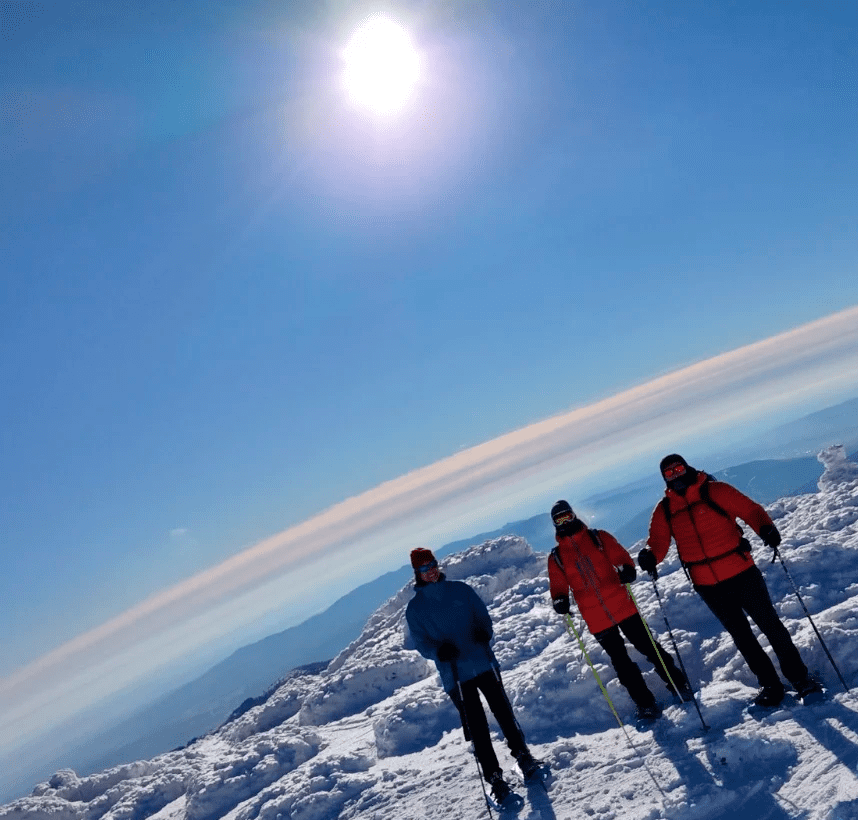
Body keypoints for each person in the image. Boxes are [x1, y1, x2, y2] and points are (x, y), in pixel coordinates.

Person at [637, 454, 822, 708]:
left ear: (686, 467)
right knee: (742, 636)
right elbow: (658, 542)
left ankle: (800, 678)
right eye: (669, 474)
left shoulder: (714, 490)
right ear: (664, 479)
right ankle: (770, 685)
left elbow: (750, 510)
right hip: (707, 585)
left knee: (770, 625)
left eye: (678, 468)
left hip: (741, 572)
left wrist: (765, 528)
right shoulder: (666, 509)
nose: (676, 475)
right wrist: (649, 556)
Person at [405, 548, 543, 804]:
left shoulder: (461, 590)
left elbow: (482, 617)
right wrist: (438, 651)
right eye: (424, 568)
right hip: (455, 673)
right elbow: (421, 642)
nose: (431, 571)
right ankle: (494, 777)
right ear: (417, 573)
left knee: (503, 712)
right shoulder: (415, 609)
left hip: (482, 662)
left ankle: (523, 756)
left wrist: (483, 632)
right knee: (477, 727)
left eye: (432, 564)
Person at [548, 500, 691, 720]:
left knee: (649, 647)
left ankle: (678, 683)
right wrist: (559, 600)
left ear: (574, 515)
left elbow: (622, 558)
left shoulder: (598, 537)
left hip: (622, 605)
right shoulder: (556, 557)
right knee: (622, 663)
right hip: (596, 618)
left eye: (567, 517)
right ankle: (645, 704)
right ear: (555, 524)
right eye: (560, 520)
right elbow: (558, 586)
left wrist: (627, 570)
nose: (565, 522)